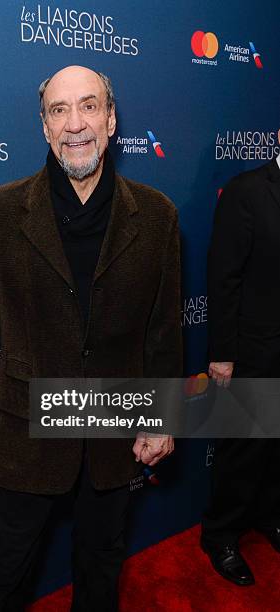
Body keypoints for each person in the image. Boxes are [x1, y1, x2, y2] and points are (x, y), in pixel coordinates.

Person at [0, 65, 182, 611]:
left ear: (111, 118)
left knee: (100, 569)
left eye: (88, 106)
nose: (75, 124)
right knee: (3, 577)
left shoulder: (156, 216)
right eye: (59, 110)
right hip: (26, 432)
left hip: (112, 430)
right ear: (44, 126)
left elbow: (163, 332)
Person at [201, 132, 280, 586]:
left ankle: (269, 516)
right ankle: (221, 536)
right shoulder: (246, 191)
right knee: (243, 448)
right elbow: (223, 275)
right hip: (253, 350)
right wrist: (223, 354)